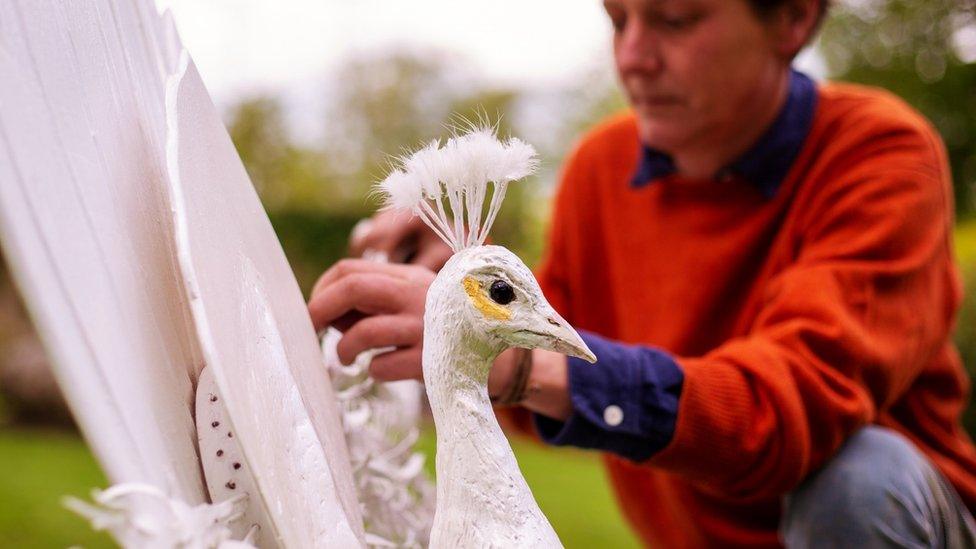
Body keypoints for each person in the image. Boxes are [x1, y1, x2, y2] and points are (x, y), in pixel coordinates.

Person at [307, 0, 976, 545]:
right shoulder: (602, 168)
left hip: (886, 525)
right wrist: (467, 298)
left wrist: (522, 363)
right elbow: (555, 388)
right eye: (617, 18)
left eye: (675, 20)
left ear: (795, 19)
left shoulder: (880, 157)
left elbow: (782, 411)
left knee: (859, 480)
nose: (632, 57)